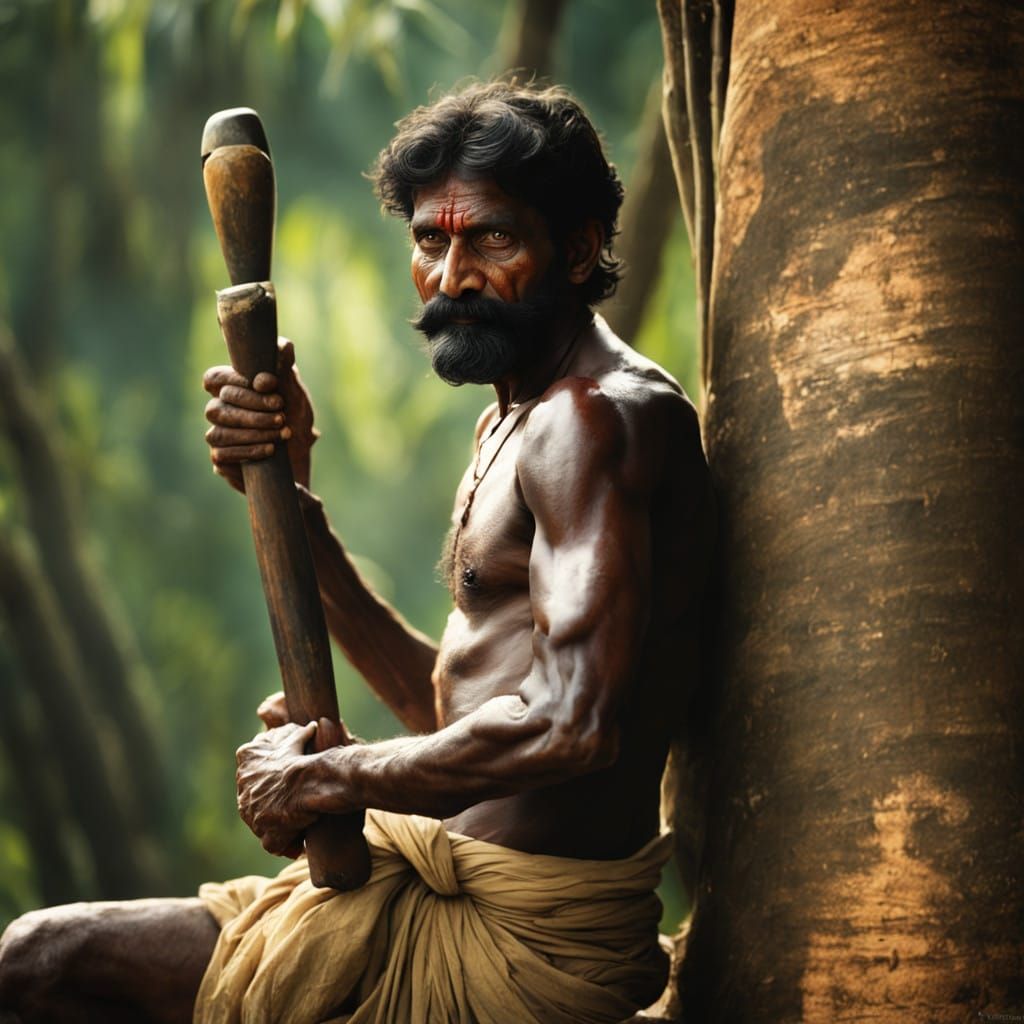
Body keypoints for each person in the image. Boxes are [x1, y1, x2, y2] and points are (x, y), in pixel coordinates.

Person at [0, 81, 715, 1024]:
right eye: (430, 242)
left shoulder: (592, 421)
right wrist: (291, 501)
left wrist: (330, 776)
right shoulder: (515, 418)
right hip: (439, 891)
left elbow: (572, 725)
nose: (453, 276)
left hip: (514, 941)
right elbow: (455, 709)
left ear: (578, 250)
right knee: (38, 958)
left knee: (46, 963)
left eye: (492, 239)